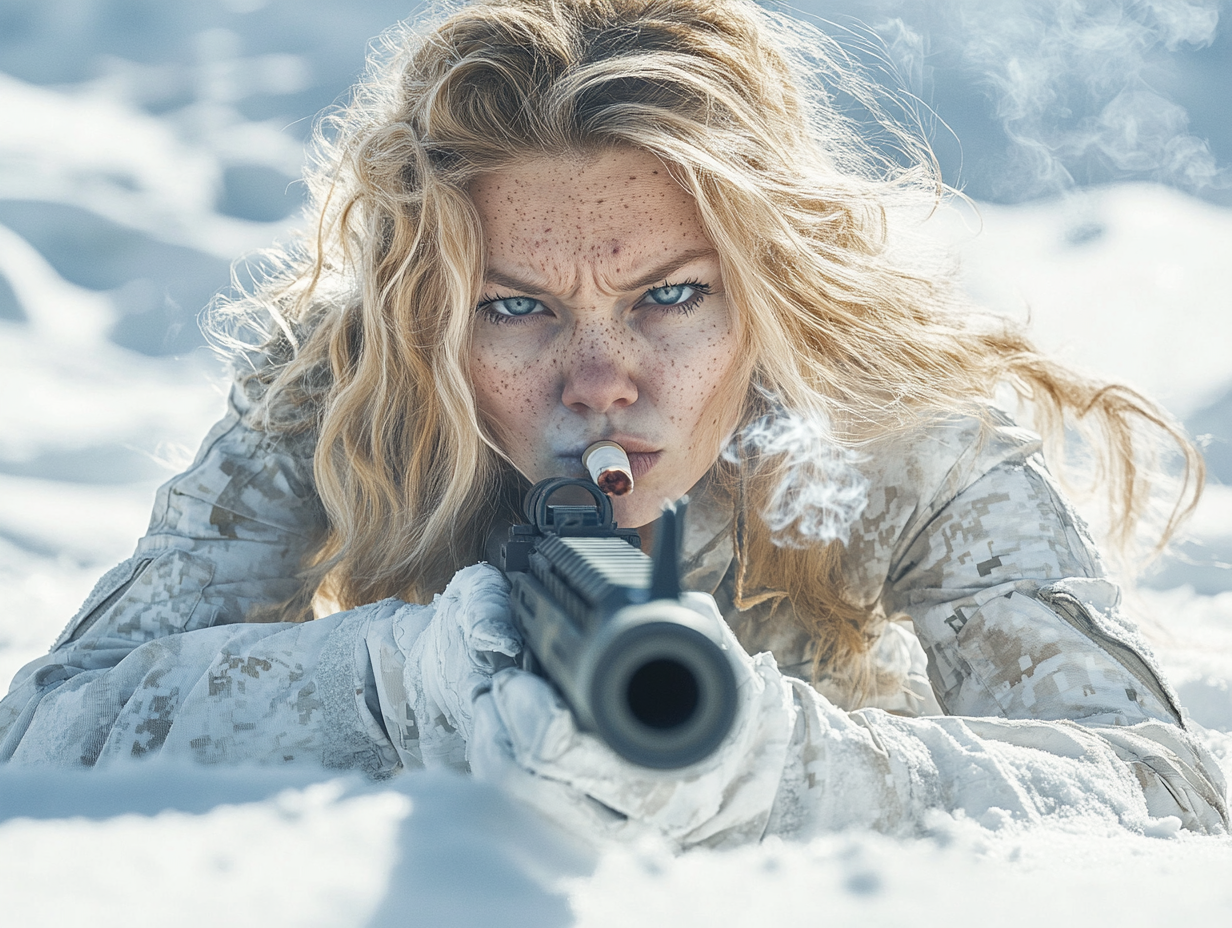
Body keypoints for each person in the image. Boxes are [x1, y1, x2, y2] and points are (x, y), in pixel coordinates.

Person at [0, 0, 1226, 847]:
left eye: (671, 297)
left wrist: (768, 767)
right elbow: (41, 742)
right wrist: (397, 682)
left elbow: (1168, 803)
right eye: (516, 308)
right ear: (435, 314)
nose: (598, 380)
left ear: (765, 287)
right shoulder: (354, 388)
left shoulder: (890, 428)